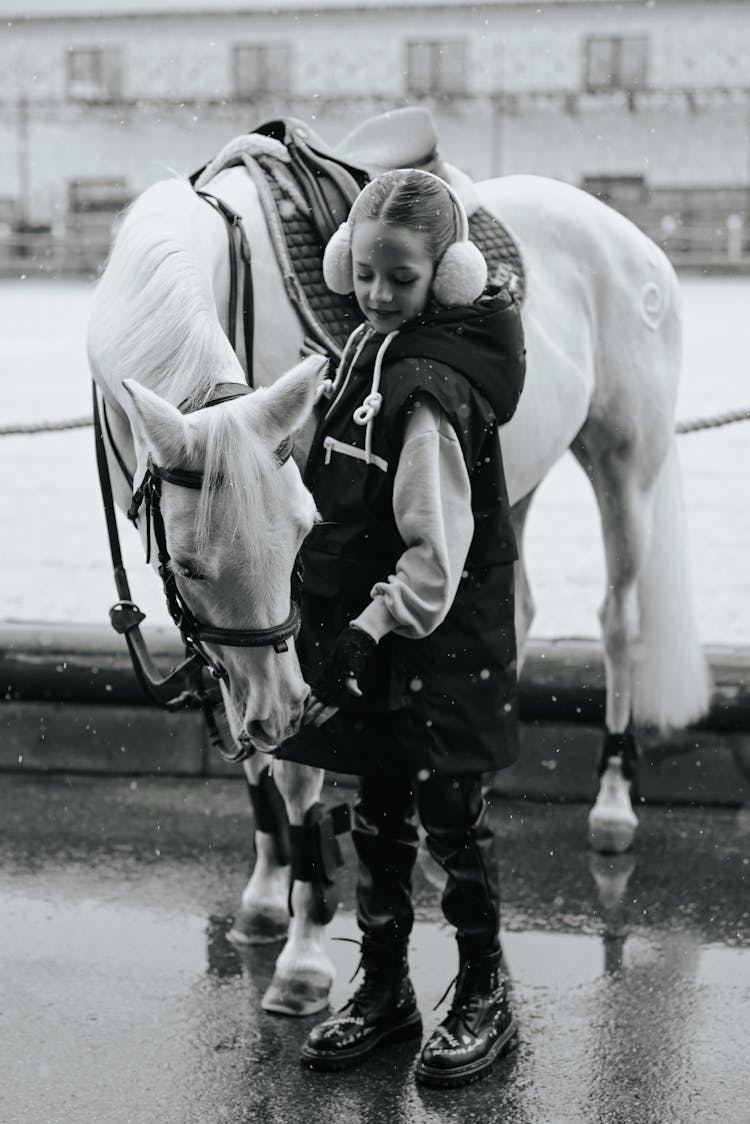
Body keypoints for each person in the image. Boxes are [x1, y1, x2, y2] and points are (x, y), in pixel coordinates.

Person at [276, 167, 526, 1088]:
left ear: (446, 277)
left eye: (403, 279)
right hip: (372, 645)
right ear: (347, 266)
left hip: (434, 645)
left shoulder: (426, 392)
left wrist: (372, 625)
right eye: (367, 276)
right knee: (378, 817)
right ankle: (385, 987)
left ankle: (485, 989)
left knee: (453, 820)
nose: (379, 295)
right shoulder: (361, 356)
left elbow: (436, 552)